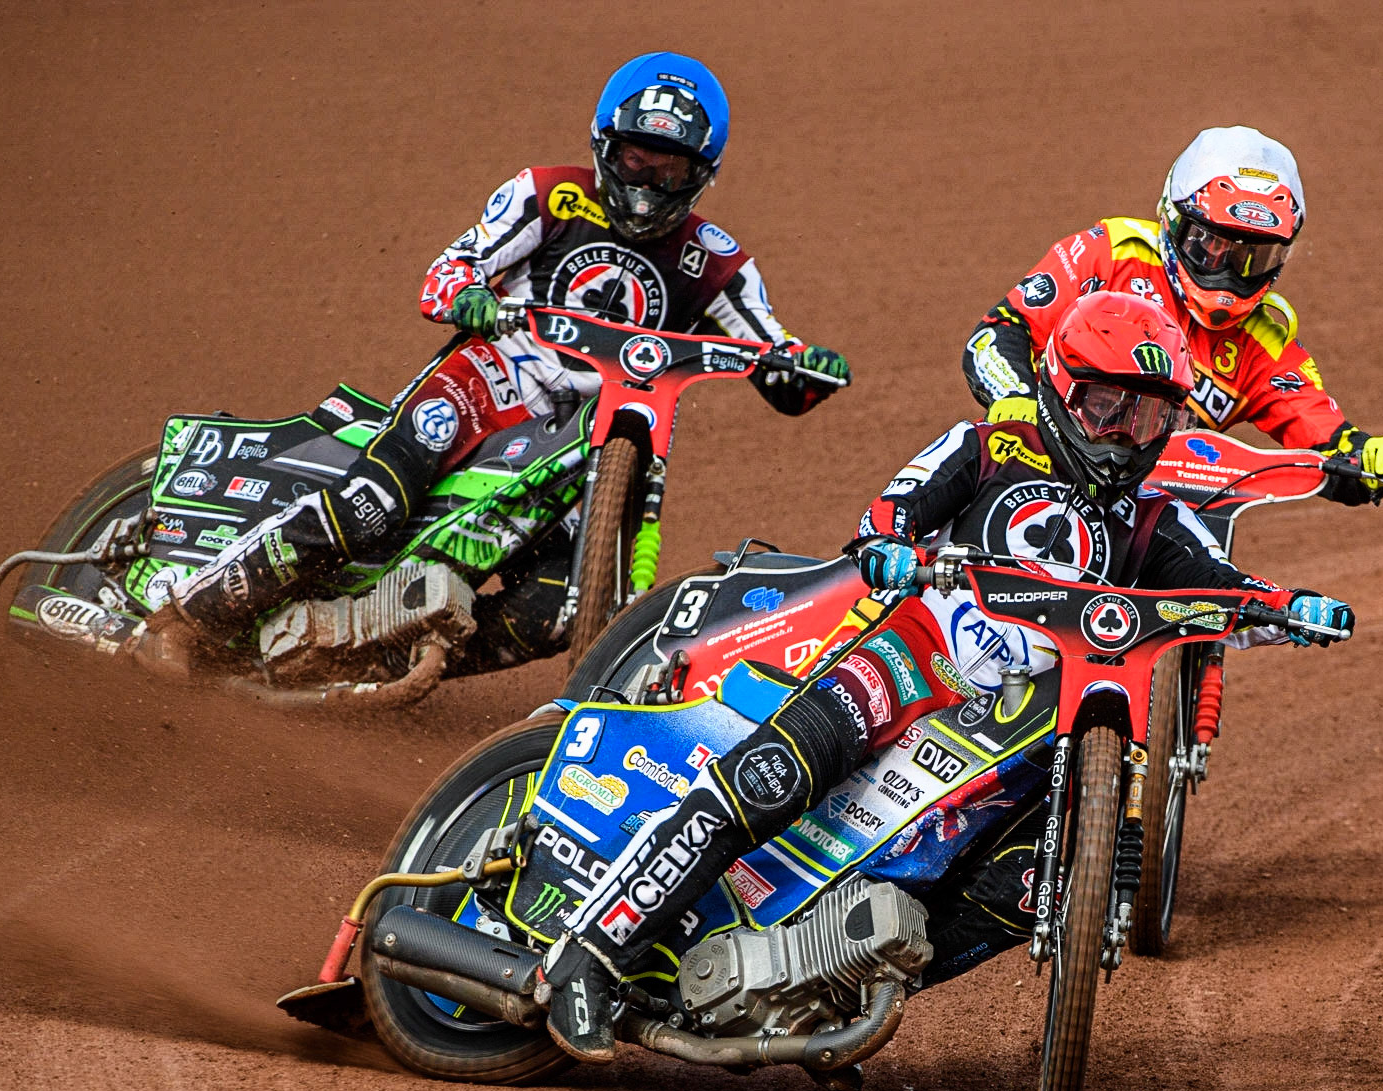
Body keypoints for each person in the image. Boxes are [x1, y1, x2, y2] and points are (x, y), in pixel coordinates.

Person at [537, 290, 1354, 1061]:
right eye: (1107, 406)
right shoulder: (988, 446)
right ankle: (589, 951)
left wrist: (1292, 607)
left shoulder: (1157, 516)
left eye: (1147, 416)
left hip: (1026, 729)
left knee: (1031, 888)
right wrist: (891, 547)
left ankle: (826, 986)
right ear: (1060, 388)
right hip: (915, 657)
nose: (1122, 435)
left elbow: (1226, 588)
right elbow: (889, 513)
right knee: (774, 772)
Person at [134, 52, 849, 670]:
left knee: (558, 610)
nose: (647, 182)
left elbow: (776, 359)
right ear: (606, 146)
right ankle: (188, 619)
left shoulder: (717, 262)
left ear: (702, 175)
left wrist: (804, 367)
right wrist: (470, 296)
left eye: (670, 169)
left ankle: (379, 661)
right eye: (637, 159)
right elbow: (448, 270)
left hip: (588, 439)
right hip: (489, 380)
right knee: (373, 502)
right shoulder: (548, 193)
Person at [963, 125, 1383, 504]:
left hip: (1148, 516)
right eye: (1212, 246)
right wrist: (1014, 397)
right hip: (1034, 475)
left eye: (1253, 258)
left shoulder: (1266, 347)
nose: (1228, 274)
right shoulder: (1108, 254)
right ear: (1174, 220)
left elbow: (1326, 436)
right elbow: (998, 333)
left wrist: (1369, 455)